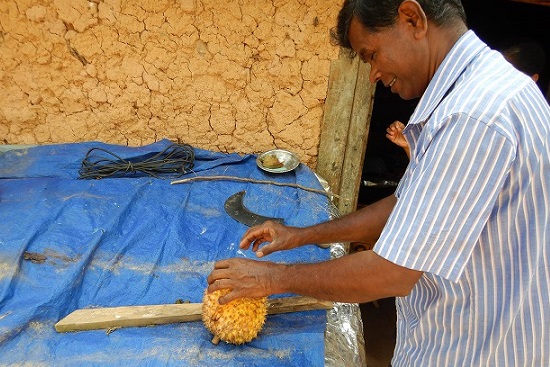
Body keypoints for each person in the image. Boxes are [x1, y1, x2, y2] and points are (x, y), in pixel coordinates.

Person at [207, 1, 550, 365]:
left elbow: (394, 271)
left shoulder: (473, 115)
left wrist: (272, 279)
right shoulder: (490, 90)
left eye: (371, 55)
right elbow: (408, 208)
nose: (372, 75)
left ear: (412, 18)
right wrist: (300, 235)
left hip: (478, 350)